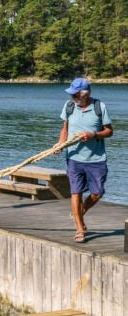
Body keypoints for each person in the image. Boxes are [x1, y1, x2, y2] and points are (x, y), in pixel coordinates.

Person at [57, 77, 113, 243]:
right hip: (73, 157)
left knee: (97, 193)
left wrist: (94, 135)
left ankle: (79, 212)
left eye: (75, 95)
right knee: (76, 192)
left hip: (96, 159)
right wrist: (60, 144)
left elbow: (109, 131)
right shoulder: (68, 106)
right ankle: (80, 228)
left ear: (85, 94)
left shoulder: (99, 107)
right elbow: (64, 128)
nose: (72, 97)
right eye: (72, 94)